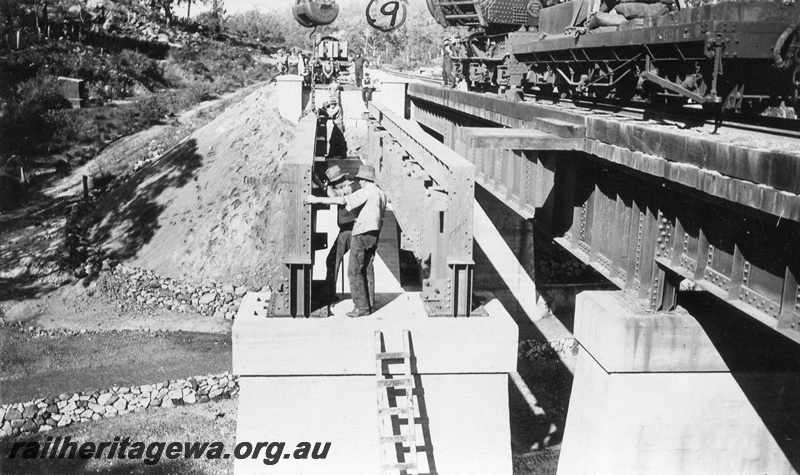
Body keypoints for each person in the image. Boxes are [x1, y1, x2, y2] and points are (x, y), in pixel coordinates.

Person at [303, 165, 386, 317]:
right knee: (366, 267)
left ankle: (358, 305)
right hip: (373, 234)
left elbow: (339, 198)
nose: (358, 181)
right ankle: (369, 303)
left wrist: (317, 196)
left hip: (356, 231)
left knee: (350, 269)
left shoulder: (357, 188)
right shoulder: (380, 192)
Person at [321, 165, 361, 305]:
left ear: (338, 181)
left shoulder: (351, 188)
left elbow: (334, 196)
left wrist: (325, 186)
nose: (333, 187)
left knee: (332, 260)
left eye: (333, 184)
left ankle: (329, 296)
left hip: (349, 230)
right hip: (347, 229)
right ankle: (331, 294)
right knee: (334, 260)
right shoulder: (353, 186)